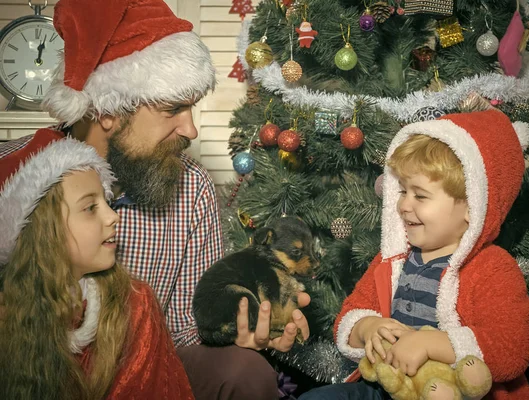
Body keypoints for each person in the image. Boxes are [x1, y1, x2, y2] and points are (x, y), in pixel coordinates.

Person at [0, 0, 309, 398]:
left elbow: (188, 325)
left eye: (192, 109)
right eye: (174, 109)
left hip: (153, 363)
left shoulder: (192, 186)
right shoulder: (16, 177)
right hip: (36, 366)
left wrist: (244, 334)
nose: (192, 129)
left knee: (244, 371)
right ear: (110, 110)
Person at [300, 110, 529, 400]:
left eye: (420, 196)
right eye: (402, 191)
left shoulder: (493, 268)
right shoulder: (392, 261)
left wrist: (431, 344)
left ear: (471, 207)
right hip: (387, 387)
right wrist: (367, 327)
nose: (403, 205)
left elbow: (512, 348)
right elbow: (349, 316)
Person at [0, 131, 194, 399]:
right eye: (90, 207)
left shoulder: (135, 304)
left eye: (107, 201)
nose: (113, 216)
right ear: (42, 230)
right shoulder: (8, 316)